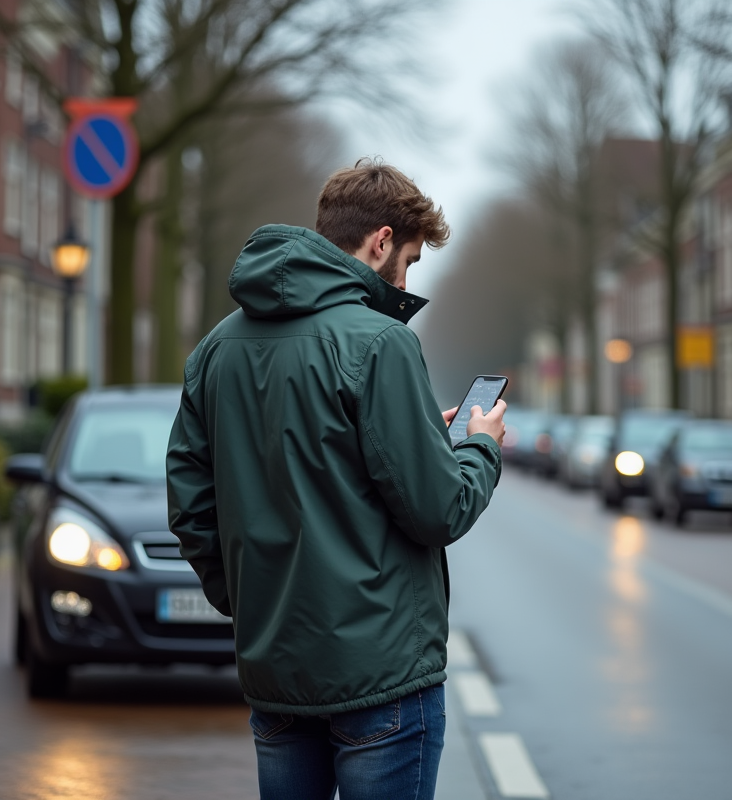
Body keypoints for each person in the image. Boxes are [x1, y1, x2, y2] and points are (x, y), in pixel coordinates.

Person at [166, 157, 506, 800]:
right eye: (406, 261)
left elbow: (190, 503)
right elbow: (439, 509)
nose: (403, 280)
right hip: (381, 676)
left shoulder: (216, 348)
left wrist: (250, 603)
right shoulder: (380, 342)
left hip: (277, 672)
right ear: (380, 242)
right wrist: (480, 448)